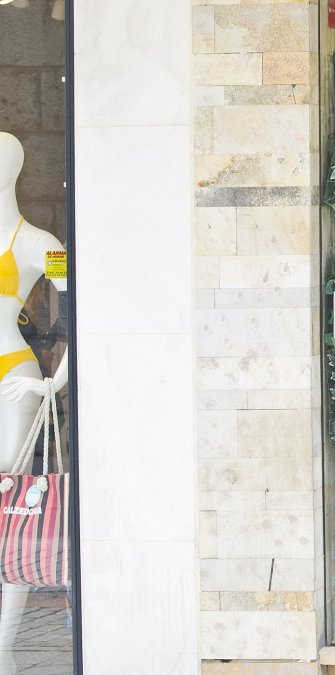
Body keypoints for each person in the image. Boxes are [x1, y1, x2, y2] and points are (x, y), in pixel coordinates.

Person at [0, 132, 69, 675]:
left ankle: (5, 639)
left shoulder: (40, 242)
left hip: (13, 375)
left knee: (13, 495)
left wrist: (55, 381)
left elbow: (74, 316)